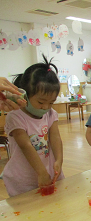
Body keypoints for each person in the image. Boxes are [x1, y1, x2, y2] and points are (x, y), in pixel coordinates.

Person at [2, 55, 64, 197]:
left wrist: (59, 160)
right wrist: (41, 172)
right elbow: (25, 145)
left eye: (51, 102)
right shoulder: (15, 116)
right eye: (41, 102)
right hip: (23, 178)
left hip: (47, 172)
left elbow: (55, 137)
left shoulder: (50, 114)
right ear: (25, 95)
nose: (46, 107)